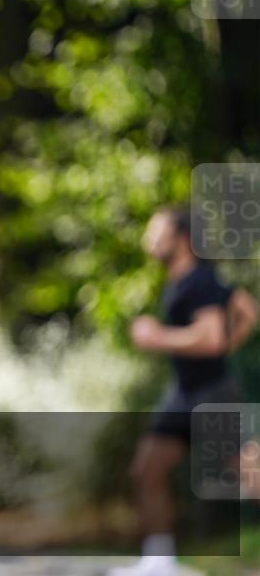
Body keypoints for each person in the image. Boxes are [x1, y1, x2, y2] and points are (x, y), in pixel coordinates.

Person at [108, 206, 256, 576]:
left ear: (183, 239)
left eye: (157, 231)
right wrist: (228, 342)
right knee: (148, 469)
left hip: (211, 391)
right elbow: (247, 311)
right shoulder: (190, 279)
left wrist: (158, 337)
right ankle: (159, 562)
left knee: (250, 474)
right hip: (185, 392)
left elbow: (209, 337)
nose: (149, 238)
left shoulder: (196, 282)